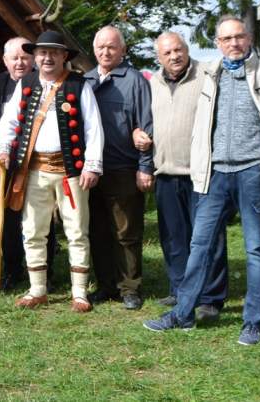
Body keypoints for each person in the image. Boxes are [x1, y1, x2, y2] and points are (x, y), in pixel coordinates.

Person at [144, 15, 260, 346]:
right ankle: (183, 314)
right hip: (214, 173)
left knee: (256, 248)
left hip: (254, 171)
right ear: (217, 44)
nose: (234, 44)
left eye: (239, 37)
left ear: (249, 38)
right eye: (226, 39)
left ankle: (252, 321)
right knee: (200, 245)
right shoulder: (211, 73)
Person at [0, 31, 104, 312]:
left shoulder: (79, 86)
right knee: (32, 230)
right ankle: (37, 289)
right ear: (36, 56)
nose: (47, 57)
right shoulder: (26, 83)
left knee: (77, 230)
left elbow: (93, 128)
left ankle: (79, 293)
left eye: (54, 52)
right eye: (42, 52)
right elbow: (8, 121)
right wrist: (3, 149)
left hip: (72, 173)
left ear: (64, 56)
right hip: (33, 170)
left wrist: (92, 165)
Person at [137, 32, 228, 321]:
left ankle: (211, 299)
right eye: (167, 53)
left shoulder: (207, 76)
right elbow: (146, 122)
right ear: (159, 58)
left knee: (208, 239)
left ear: (187, 49)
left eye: (178, 49)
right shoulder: (154, 84)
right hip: (166, 172)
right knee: (174, 239)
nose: (174, 56)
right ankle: (179, 289)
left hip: (201, 173)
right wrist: (138, 136)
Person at [83, 26, 154, 310]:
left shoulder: (135, 81)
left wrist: (145, 167)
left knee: (126, 232)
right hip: (92, 170)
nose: (105, 51)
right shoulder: (85, 81)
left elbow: (146, 126)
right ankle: (106, 285)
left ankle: (130, 288)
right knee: (97, 231)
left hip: (124, 167)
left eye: (112, 46)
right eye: (100, 46)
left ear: (122, 50)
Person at [0, 36, 57, 291]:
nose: (20, 63)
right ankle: (12, 271)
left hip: (38, 165)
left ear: (33, 60)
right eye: (14, 58)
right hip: (5, 166)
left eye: (25, 57)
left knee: (42, 219)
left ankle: (44, 272)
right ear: (5, 61)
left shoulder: (45, 84)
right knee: (10, 222)